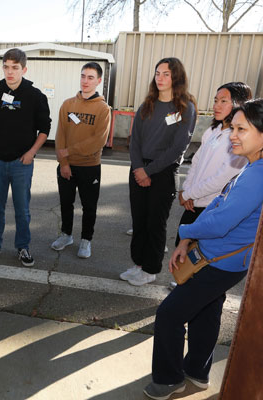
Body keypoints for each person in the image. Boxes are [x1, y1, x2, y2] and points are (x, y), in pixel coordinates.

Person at [144, 98, 263, 400]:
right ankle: (197, 373)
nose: (232, 135)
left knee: (169, 315)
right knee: (206, 312)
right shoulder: (252, 168)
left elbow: (221, 221)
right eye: (232, 127)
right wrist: (189, 239)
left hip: (221, 261)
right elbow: (220, 206)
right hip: (221, 257)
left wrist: (185, 230)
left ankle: (168, 380)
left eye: (241, 129)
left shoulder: (258, 175)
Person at [119, 57, 196, 286]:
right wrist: (139, 168)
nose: (160, 78)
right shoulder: (147, 105)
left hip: (162, 172)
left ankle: (151, 269)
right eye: (157, 73)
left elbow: (177, 147)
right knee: (139, 220)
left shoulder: (185, 108)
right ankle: (139, 264)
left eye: (166, 74)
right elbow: (135, 141)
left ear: (176, 77)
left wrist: (148, 171)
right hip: (139, 168)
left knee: (155, 222)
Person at [0, 48, 51, 267]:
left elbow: (45, 129)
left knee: (22, 209)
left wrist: (31, 153)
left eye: (15, 68)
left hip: (22, 163)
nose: (10, 72)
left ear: (24, 69)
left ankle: (23, 247)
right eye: (6, 67)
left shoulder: (35, 96)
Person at [175, 82, 251, 246]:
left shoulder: (239, 139)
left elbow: (221, 179)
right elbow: (195, 163)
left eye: (223, 101)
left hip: (213, 209)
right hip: (193, 204)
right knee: (181, 253)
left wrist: (189, 195)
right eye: (216, 100)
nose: (217, 105)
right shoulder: (212, 131)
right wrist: (187, 191)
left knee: (198, 260)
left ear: (239, 104)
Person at [51, 62, 111, 259]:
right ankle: (66, 235)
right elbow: (60, 134)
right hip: (67, 164)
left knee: (89, 206)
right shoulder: (68, 104)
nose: (85, 81)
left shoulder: (103, 109)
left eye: (90, 77)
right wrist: (64, 161)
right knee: (66, 203)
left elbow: (98, 140)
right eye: (83, 76)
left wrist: (70, 151)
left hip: (89, 167)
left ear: (99, 81)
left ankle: (86, 240)